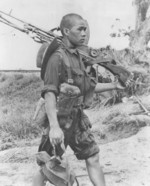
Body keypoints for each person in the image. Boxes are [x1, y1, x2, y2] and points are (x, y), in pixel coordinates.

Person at [32, 13, 124, 186]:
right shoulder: (57, 58)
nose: (84, 33)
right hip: (59, 120)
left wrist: (114, 86)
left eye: (85, 29)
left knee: (93, 156)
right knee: (46, 165)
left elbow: (87, 87)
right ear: (66, 31)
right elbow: (49, 93)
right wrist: (54, 128)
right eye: (79, 29)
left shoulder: (77, 57)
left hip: (77, 119)